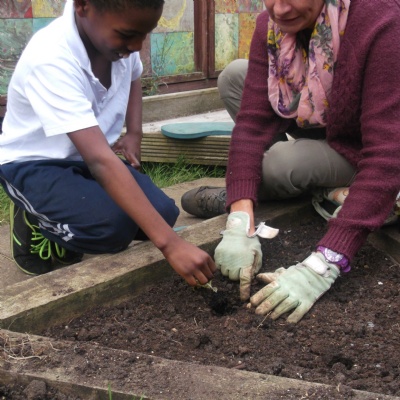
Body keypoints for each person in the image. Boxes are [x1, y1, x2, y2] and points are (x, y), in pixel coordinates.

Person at [181, 0, 400, 323]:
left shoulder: (381, 20)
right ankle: (331, 192)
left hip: (373, 146)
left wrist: (323, 264)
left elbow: (386, 152)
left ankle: (355, 194)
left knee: (278, 163)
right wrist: (239, 220)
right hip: (326, 128)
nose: (280, 9)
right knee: (234, 76)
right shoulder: (270, 26)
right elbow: (252, 124)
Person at [0, 0, 216, 288]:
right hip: (35, 163)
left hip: (87, 156)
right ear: (83, 7)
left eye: (145, 34)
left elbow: (134, 75)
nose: (137, 46)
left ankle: (71, 215)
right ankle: (34, 217)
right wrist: (171, 245)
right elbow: (100, 162)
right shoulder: (50, 57)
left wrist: (134, 133)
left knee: (164, 214)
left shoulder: (117, 44)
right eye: (128, 35)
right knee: (109, 229)